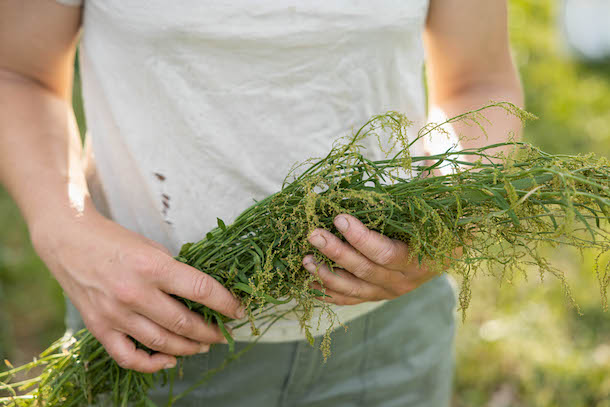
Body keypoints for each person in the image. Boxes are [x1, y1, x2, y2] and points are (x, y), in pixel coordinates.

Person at [0, 0, 523, 405]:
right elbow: (16, 72)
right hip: (149, 340)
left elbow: (478, 82)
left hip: (386, 338)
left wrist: (449, 216)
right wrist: (64, 229)